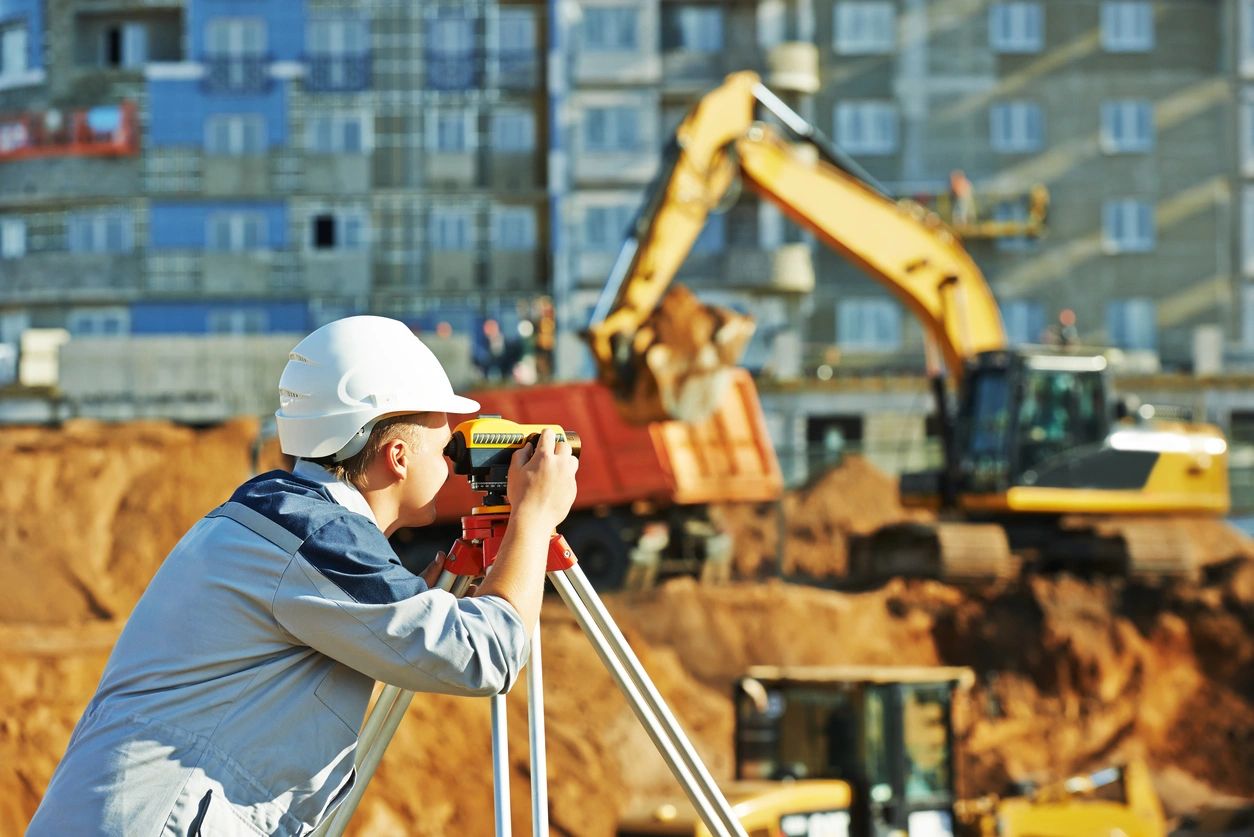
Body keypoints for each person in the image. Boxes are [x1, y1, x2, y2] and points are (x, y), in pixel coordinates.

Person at [27, 315, 579, 836]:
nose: (456, 457)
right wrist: (533, 518)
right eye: (445, 442)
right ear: (398, 456)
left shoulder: (277, 517)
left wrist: (418, 602)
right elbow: (490, 655)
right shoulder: (314, 539)